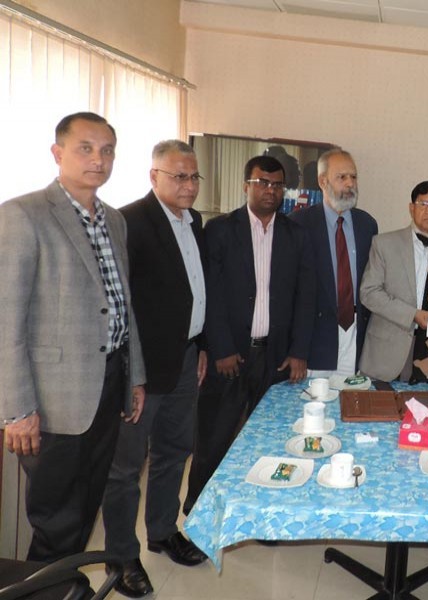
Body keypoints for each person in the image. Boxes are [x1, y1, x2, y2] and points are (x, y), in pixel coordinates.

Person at [0, 112, 145, 562]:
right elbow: (6, 319)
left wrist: (134, 375)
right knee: (56, 519)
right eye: (86, 148)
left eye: (107, 151)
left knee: (84, 510)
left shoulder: (114, 220)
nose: (98, 159)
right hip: (53, 399)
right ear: (58, 153)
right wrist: (17, 410)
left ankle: (66, 587)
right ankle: (45, 589)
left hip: (107, 385)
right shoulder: (23, 215)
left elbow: (123, 304)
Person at [101, 140, 207, 597]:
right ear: (153, 176)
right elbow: (120, 304)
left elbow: (192, 289)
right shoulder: (129, 222)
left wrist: (201, 344)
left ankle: (163, 531)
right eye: (178, 176)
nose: (188, 185)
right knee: (126, 468)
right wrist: (134, 372)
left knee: (175, 451)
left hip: (185, 358)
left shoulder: (193, 220)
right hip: (142, 367)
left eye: (193, 177)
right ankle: (122, 557)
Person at [185, 155, 314, 513]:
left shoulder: (296, 235)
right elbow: (209, 293)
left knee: (271, 440)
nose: (270, 190)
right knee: (214, 438)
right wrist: (221, 348)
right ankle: (200, 511)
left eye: (276, 184)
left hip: (276, 358)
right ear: (246, 186)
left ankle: (263, 512)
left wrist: (299, 350)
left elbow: (307, 297)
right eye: (262, 183)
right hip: (231, 355)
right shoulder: (221, 230)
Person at [359, 181, 428, 383]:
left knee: (423, 410)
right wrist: (413, 315)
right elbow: (369, 293)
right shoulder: (384, 243)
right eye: (423, 204)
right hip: (387, 350)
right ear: (411, 207)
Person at [291, 149, 378, 377]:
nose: (350, 183)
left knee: (351, 408)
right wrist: (296, 351)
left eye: (354, 177)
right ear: (322, 181)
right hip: (315, 344)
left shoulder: (367, 225)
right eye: (342, 177)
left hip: (355, 339)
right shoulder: (299, 224)